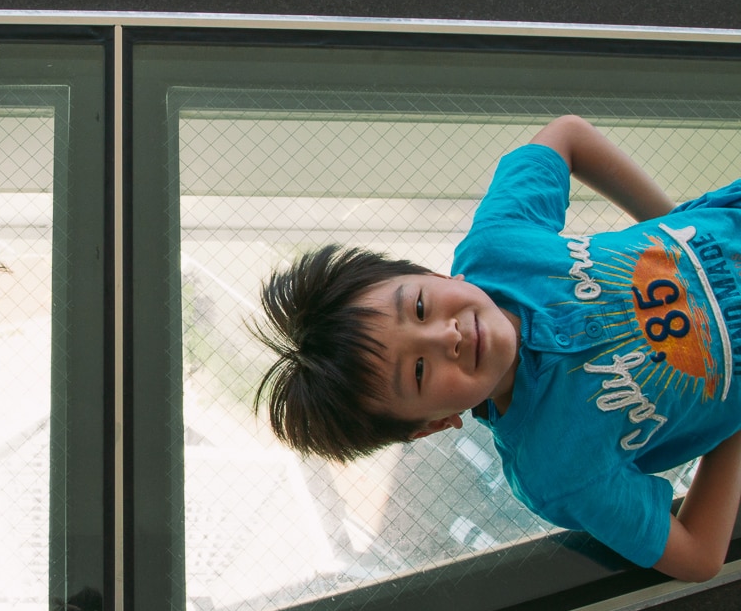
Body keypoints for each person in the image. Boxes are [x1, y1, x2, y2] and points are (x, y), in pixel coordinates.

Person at [254, 115, 741, 582]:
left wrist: (678, 222)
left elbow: (567, 135)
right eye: (419, 371)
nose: (447, 336)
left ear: (434, 276)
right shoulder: (554, 469)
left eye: (421, 306)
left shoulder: (498, 246)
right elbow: (697, 555)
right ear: (432, 425)